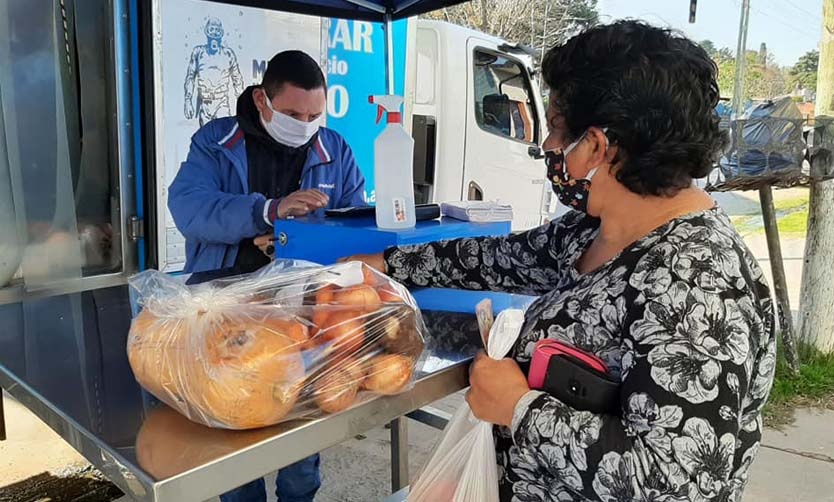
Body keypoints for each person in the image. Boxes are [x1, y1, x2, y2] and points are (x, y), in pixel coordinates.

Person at [347, 21, 775, 501]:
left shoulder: (697, 282)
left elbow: (676, 483)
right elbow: (496, 259)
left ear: (597, 145)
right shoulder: (599, 229)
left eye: (555, 130)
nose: (548, 149)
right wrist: (386, 264)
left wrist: (520, 409)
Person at [169, 50, 367, 502]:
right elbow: (189, 207)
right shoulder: (217, 142)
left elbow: (355, 222)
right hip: (227, 305)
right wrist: (267, 212)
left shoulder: (333, 149)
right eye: (294, 113)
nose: (305, 123)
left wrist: (293, 239)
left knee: (301, 440)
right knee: (236, 436)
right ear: (263, 100)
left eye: (315, 114)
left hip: (303, 312)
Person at [184, 17, 245, 126]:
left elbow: (237, 79)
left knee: (225, 139)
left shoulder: (228, 54)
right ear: (207, 32)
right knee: (206, 140)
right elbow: (190, 77)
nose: (214, 34)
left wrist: (244, 106)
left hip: (222, 103)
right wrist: (188, 100)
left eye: (217, 30)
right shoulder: (198, 52)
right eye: (211, 30)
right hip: (205, 104)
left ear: (221, 33)